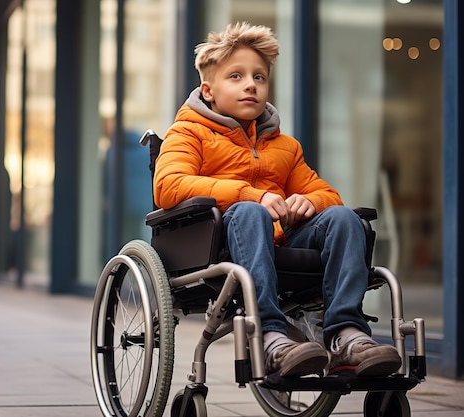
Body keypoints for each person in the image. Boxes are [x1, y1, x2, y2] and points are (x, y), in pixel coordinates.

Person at [153, 22, 402, 377]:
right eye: (236, 76)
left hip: (279, 243)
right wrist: (248, 194)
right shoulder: (188, 133)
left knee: (344, 218)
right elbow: (169, 185)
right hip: (216, 246)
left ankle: (345, 333)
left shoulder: (285, 146)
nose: (250, 84)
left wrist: (310, 202)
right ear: (208, 91)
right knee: (249, 211)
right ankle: (271, 334)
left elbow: (327, 193)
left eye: (259, 77)